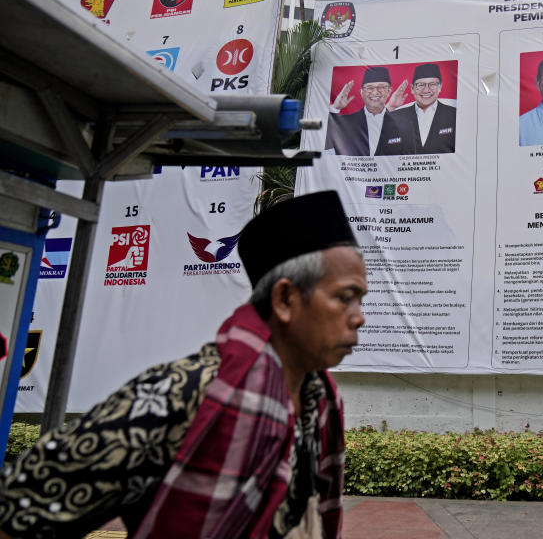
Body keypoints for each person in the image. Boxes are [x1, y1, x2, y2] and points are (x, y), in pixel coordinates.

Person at [0, 191, 366, 539]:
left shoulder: (318, 405)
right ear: (285, 298)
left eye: (360, 300)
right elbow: (19, 506)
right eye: (345, 298)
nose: (359, 317)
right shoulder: (184, 393)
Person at [325, 66, 408, 156]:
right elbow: (325, 148)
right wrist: (335, 108)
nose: (375, 92)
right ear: (362, 92)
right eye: (369, 88)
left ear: (389, 91)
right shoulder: (345, 122)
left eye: (381, 87)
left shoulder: (403, 124)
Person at [385, 63, 456, 154]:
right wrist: (390, 107)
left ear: (440, 87)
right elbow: (372, 140)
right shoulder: (396, 116)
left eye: (432, 84)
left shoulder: (454, 115)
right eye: (421, 85)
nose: (426, 90)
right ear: (412, 88)